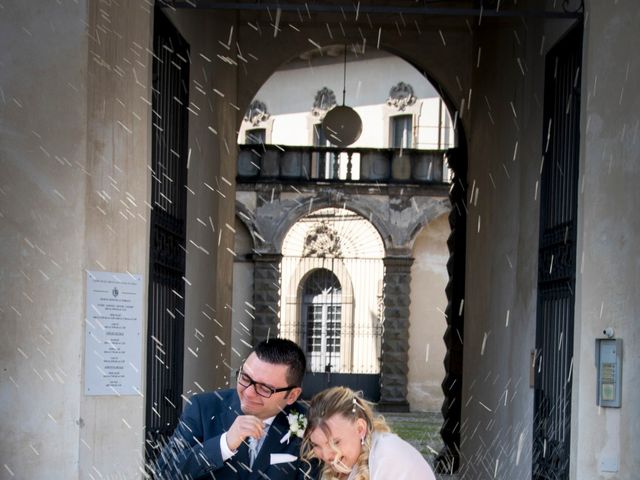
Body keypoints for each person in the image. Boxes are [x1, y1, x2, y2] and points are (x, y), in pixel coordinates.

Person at [154, 338, 315, 479]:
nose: (249, 393)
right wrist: (224, 444)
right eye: (245, 378)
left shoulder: (307, 424)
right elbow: (164, 473)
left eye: (265, 389)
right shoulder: (203, 408)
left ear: (292, 395)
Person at [301, 386, 436, 480]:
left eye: (335, 442)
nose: (326, 455)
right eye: (317, 445)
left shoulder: (390, 457)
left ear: (360, 429)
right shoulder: (346, 461)